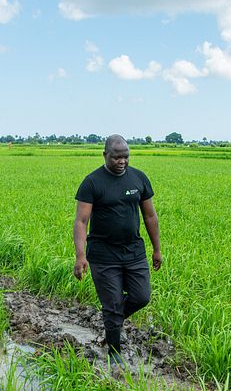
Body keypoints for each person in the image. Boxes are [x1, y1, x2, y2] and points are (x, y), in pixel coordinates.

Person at [72, 134, 162, 365]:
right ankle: (114, 353)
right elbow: (81, 221)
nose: (122, 162)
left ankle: (112, 321)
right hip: (103, 255)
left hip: (133, 251)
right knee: (111, 305)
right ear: (105, 155)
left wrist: (157, 249)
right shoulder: (92, 182)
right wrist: (81, 256)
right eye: (116, 157)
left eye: (126, 157)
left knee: (141, 297)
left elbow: (150, 215)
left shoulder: (139, 178)